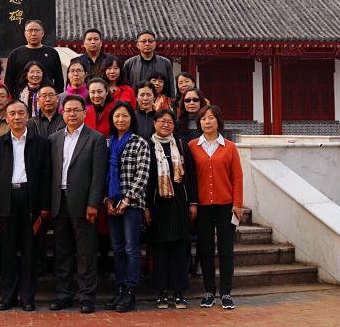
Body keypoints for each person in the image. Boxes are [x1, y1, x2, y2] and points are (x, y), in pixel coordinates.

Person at [0, 100, 51, 312]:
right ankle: (8, 296)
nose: (17, 117)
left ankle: (27, 297)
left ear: (28, 116)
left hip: (31, 200)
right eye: (12, 113)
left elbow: (46, 176)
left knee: (29, 252)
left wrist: (44, 205)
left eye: (21, 113)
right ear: (7, 118)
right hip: (6, 200)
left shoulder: (40, 143)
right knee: (7, 251)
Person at [49, 95, 108, 314]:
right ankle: (63, 295)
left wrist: (93, 203)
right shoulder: (54, 138)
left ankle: (86, 296)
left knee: (86, 253)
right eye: (68, 110)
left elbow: (98, 175)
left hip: (83, 204)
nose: (72, 114)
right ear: (62, 113)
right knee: (62, 251)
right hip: (59, 202)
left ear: (85, 112)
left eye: (76, 110)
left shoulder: (96, 139)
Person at [189, 105, 244, 311]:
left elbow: (237, 177)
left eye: (211, 118)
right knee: (205, 250)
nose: (207, 122)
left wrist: (237, 204)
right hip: (202, 207)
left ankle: (226, 293)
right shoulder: (192, 146)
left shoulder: (230, 147)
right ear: (199, 122)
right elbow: (190, 177)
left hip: (225, 206)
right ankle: (209, 291)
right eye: (203, 118)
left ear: (218, 121)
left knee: (226, 250)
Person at [146, 108, 198, 311]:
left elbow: (191, 176)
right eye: (162, 121)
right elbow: (145, 180)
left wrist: (193, 202)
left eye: (169, 122)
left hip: (179, 204)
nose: (166, 125)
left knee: (179, 249)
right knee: (159, 250)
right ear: (154, 123)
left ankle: (178, 292)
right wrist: (145, 207)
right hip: (157, 204)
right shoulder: (148, 145)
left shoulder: (182, 146)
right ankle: (161, 292)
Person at [103, 102, 149, 313]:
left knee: (131, 248)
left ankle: (130, 291)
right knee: (117, 248)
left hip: (132, 204)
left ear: (132, 119)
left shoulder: (139, 142)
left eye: (125, 116)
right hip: (111, 204)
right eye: (117, 116)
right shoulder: (107, 143)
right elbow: (102, 174)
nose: (120, 120)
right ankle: (120, 289)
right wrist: (107, 200)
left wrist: (127, 200)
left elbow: (142, 175)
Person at [4, 19, 64, 94]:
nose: (33, 34)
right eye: (30, 30)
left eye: (37, 30)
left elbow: (59, 80)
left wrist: (57, 97)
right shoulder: (15, 54)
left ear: (42, 33)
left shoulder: (52, 53)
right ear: (25, 33)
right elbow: (9, 81)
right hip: (21, 97)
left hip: (46, 97)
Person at [122, 30, 175, 98]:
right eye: (143, 41)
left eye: (150, 41)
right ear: (137, 45)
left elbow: (171, 87)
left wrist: (171, 100)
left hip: (160, 102)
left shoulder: (165, 63)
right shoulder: (129, 63)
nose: (147, 44)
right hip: (136, 101)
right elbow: (125, 87)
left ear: (155, 44)